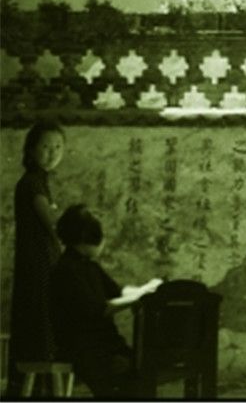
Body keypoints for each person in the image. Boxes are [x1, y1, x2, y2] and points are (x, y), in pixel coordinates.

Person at [50, 204, 162, 400]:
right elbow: (100, 310)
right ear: (86, 238)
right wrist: (141, 295)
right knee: (126, 379)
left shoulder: (89, 266)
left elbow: (119, 291)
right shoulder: (67, 270)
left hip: (103, 343)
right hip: (83, 347)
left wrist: (147, 288)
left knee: (140, 370)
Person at [8, 121, 66, 397]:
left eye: (58, 147)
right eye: (45, 146)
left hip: (42, 262)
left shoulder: (40, 180)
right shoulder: (32, 182)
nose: (52, 153)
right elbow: (51, 221)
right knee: (41, 330)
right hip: (38, 266)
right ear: (31, 150)